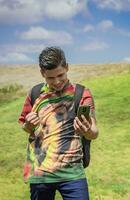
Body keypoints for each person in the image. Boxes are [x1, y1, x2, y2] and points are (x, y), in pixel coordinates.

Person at [18, 46, 99, 200]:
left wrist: (87, 130)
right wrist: (28, 124)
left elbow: (94, 132)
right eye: (50, 78)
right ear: (42, 73)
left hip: (73, 174)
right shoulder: (35, 94)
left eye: (60, 75)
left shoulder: (81, 93)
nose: (56, 82)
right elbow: (26, 128)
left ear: (67, 67)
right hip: (40, 173)